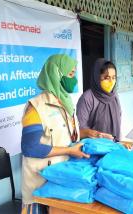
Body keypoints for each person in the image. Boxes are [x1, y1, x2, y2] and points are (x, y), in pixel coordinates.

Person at [21, 54, 90, 213]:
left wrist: (91, 134)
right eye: (71, 74)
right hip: (40, 183)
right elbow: (30, 148)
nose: (74, 79)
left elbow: (68, 135)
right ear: (57, 73)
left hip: (62, 179)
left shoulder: (65, 102)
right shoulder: (36, 107)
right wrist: (68, 151)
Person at [76, 58, 122, 141]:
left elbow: (119, 118)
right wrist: (98, 136)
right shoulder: (87, 98)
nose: (111, 81)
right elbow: (81, 128)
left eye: (114, 77)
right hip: (95, 147)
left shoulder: (114, 95)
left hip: (114, 144)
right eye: (107, 78)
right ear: (97, 77)